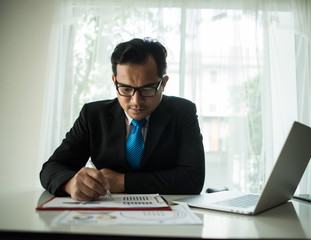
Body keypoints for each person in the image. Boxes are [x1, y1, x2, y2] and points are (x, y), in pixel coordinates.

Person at [40, 38, 205, 201]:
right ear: (114, 81)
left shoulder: (183, 112)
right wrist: (70, 184)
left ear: (164, 83)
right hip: (106, 218)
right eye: (126, 89)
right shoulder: (93, 115)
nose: (136, 101)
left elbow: (193, 179)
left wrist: (122, 182)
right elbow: (51, 168)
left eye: (147, 89)